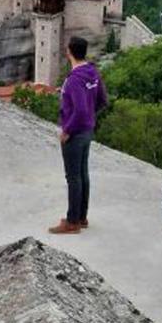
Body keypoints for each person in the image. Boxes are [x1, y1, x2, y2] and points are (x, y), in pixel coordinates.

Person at [49, 36, 108, 235]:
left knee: (73, 177)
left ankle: (72, 221)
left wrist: (67, 130)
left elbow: (80, 110)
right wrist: (90, 118)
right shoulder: (92, 72)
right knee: (82, 174)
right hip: (87, 131)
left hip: (75, 134)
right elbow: (102, 99)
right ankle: (81, 216)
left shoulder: (74, 79)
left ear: (69, 52)